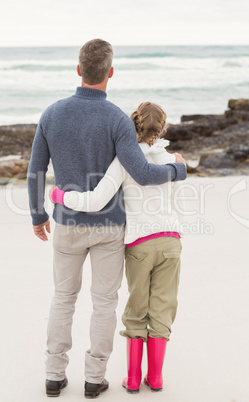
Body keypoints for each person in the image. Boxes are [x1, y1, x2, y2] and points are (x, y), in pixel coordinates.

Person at [27, 39, 187, 398]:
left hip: (66, 223)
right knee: (104, 303)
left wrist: (38, 214)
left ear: (79, 70)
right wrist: (178, 169)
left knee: (63, 298)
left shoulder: (52, 114)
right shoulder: (117, 119)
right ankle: (94, 379)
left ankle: (54, 375)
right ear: (110, 73)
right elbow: (144, 173)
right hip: (109, 227)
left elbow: (35, 170)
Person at [49, 101, 186, 394]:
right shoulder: (174, 161)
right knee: (163, 307)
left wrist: (61, 196)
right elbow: (173, 201)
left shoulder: (125, 160)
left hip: (139, 243)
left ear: (133, 126)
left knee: (137, 309)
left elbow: (96, 200)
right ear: (163, 128)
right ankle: (157, 378)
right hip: (171, 241)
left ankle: (134, 379)